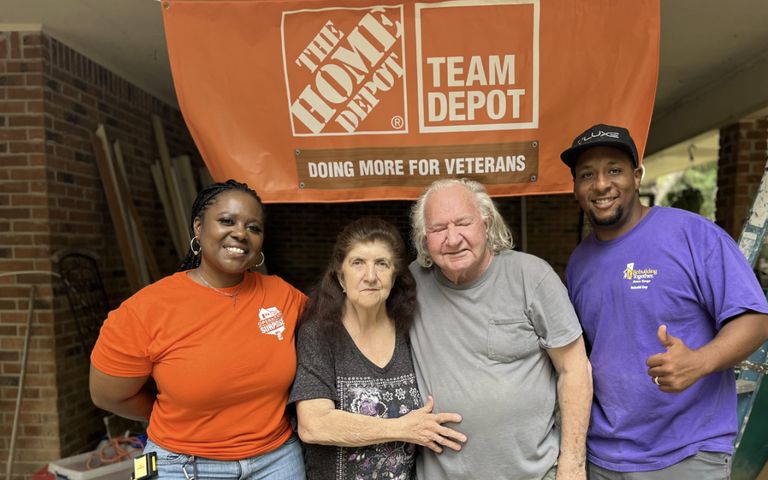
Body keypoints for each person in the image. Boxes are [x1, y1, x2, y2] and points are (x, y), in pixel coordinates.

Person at [561, 124, 768, 479]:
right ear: (576, 188)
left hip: (685, 453)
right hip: (603, 455)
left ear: (637, 176)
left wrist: (699, 362)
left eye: (614, 170)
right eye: (587, 175)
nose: (600, 184)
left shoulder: (693, 235)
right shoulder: (579, 263)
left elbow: (756, 321)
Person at [90, 180, 307, 479]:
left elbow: (336, 332)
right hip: (183, 464)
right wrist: (178, 417)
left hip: (277, 461)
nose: (241, 233)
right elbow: (109, 396)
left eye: (253, 227)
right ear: (198, 228)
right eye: (227, 221)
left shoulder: (283, 296)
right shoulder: (146, 309)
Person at [408, 178, 592, 480]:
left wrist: (572, 464)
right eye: (439, 228)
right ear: (424, 237)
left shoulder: (531, 277)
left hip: (535, 474)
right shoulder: (409, 286)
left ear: (486, 223)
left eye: (463, 223)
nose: (452, 239)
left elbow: (575, 369)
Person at [290, 217, 466, 480]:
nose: (370, 276)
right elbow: (314, 425)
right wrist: (402, 428)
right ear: (340, 276)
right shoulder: (318, 334)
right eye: (358, 263)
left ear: (394, 277)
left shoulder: (410, 332)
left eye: (382, 264)